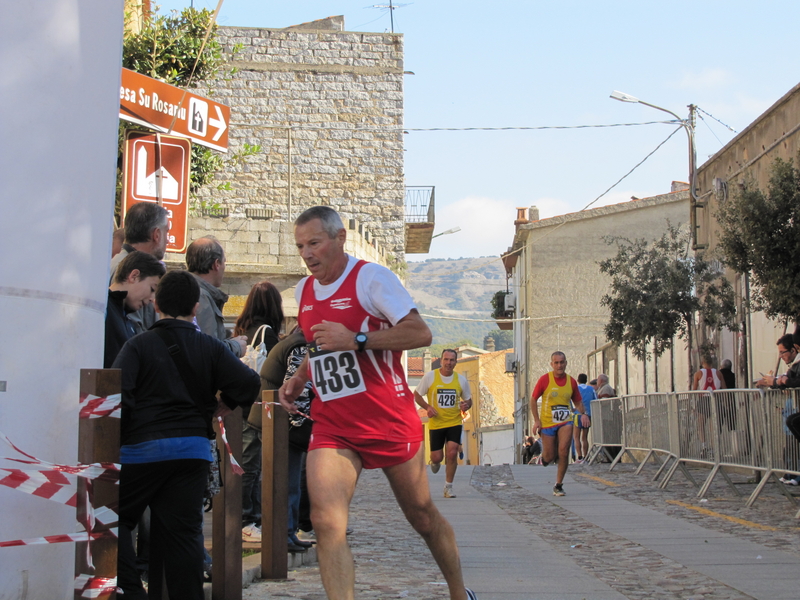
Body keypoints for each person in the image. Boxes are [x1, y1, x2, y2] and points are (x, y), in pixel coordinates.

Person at [278, 206, 478, 600]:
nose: (307, 253)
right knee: (326, 521)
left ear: (339, 239)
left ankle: (459, 593)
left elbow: (420, 333)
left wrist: (358, 339)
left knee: (421, 516)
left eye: (314, 243)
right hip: (333, 423)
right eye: (301, 246)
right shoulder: (303, 291)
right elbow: (319, 347)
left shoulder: (370, 279)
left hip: (387, 419)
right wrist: (299, 377)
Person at [114, 270, 260, 600]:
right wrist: (225, 404)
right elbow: (249, 383)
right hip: (191, 452)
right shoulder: (209, 346)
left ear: (155, 304)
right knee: (183, 536)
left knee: (114, 520)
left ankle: (133, 592)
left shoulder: (137, 346)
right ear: (196, 308)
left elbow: (119, 395)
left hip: (141, 451)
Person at [233, 281, 284, 543]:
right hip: (256, 406)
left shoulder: (242, 329)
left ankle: (248, 518)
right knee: (252, 465)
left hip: (241, 403)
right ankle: (247, 520)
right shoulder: (268, 333)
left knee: (247, 463)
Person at [258, 327, 315, 552]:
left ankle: (289, 533)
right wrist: (301, 423)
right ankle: (284, 534)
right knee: (287, 483)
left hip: (280, 420)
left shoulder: (295, 341)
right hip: (284, 422)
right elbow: (296, 388)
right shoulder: (301, 346)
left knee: (290, 483)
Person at [414, 349, 473, 498]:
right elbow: (417, 394)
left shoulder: (461, 380)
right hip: (436, 423)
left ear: (455, 362)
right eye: (446, 360)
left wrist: (466, 405)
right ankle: (434, 462)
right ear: (441, 361)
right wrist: (428, 407)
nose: (448, 363)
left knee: (452, 453)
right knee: (437, 457)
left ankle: (448, 487)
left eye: (452, 360)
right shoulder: (430, 377)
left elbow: (468, 400)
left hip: (454, 422)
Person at [530, 352, 589, 497]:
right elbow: (533, 399)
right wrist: (537, 420)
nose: (559, 365)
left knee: (563, 451)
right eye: (556, 363)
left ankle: (558, 485)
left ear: (566, 363)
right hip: (548, 423)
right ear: (552, 364)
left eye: (562, 362)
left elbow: (578, 401)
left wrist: (583, 414)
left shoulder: (571, 382)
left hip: (565, 421)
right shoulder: (545, 380)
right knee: (549, 457)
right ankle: (542, 458)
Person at [109, 203, 169, 335]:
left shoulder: (117, 262)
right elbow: (132, 335)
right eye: (167, 231)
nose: (168, 240)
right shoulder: (128, 267)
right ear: (157, 234)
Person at [186, 236, 246, 357]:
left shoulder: (188, 289)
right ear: (216, 264)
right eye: (224, 262)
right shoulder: (201, 297)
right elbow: (207, 350)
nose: (224, 267)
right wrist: (236, 346)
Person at [104, 251, 165, 368]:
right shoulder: (105, 309)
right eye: (152, 289)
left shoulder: (126, 317)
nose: (152, 299)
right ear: (134, 276)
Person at [572, 373, 596, 463]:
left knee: (576, 437)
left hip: (578, 415)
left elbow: (571, 401)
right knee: (584, 437)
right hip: (588, 415)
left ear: (578, 380)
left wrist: (572, 410)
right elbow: (595, 400)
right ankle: (586, 457)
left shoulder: (576, 389)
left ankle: (580, 456)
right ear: (586, 380)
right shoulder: (591, 389)